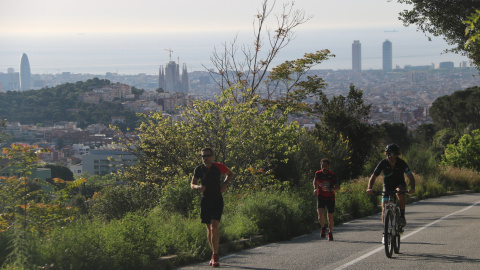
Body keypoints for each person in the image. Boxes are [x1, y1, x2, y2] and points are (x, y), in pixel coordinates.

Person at [191, 147, 234, 268]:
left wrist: (224, 184)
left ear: (212, 156)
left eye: (207, 155)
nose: (205, 158)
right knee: (209, 228)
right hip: (205, 200)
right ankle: (213, 253)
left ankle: (215, 256)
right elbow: (192, 184)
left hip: (217, 199)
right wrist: (198, 187)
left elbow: (230, 174)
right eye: (203, 156)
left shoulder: (218, 166)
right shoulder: (198, 169)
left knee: (214, 226)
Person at [366, 143, 415, 243]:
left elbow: (410, 176)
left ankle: (401, 215)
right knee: (384, 207)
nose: (390, 156)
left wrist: (412, 188)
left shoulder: (402, 163)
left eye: (392, 154)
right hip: (387, 185)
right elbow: (373, 176)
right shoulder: (383, 163)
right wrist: (369, 188)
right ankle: (385, 233)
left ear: (397, 155)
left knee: (400, 192)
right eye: (388, 154)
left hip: (399, 184)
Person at [313, 158, 340, 241]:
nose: (323, 168)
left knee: (330, 217)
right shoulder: (318, 173)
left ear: (328, 167)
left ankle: (330, 233)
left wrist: (330, 189)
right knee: (320, 216)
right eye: (322, 166)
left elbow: (338, 187)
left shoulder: (332, 175)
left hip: (330, 198)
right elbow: (315, 181)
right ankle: (323, 227)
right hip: (321, 196)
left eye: (325, 166)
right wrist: (315, 188)